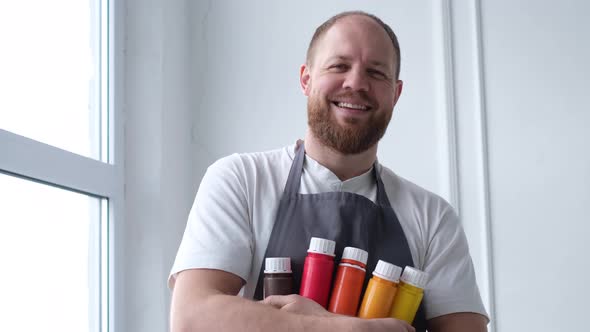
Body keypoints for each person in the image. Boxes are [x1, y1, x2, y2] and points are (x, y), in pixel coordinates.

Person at [169, 10, 489, 332]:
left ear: (396, 93)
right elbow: (192, 318)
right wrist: (353, 329)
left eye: (376, 73)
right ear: (306, 80)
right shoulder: (241, 180)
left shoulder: (433, 218)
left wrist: (319, 321)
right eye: (339, 66)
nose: (356, 83)